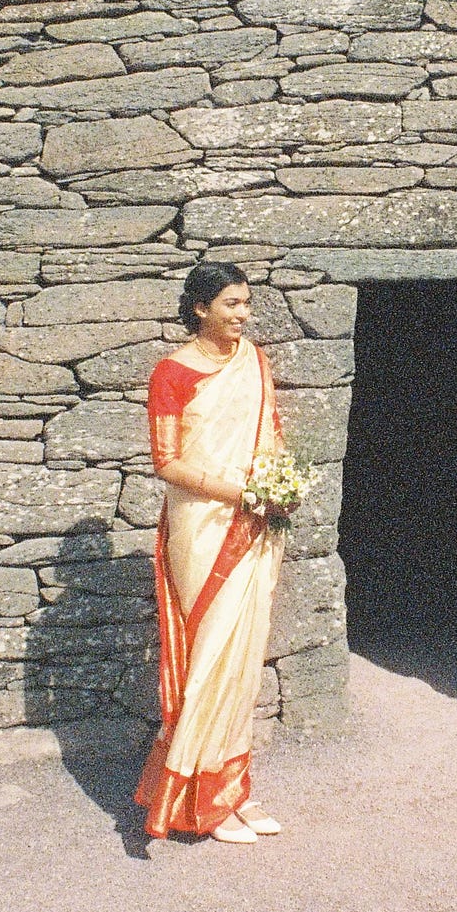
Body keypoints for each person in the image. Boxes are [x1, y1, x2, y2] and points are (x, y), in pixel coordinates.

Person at [135, 262, 286, 845]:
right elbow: (167, 463)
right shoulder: (172, 373)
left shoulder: (254, 361)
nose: (243, 315)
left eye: (246, 303)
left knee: (242, 664)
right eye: (231, 305)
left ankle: (232, 793)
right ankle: (199, 803)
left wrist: (274, 491)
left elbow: (268, 434)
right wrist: (243, 493)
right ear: (200, 309)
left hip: (254, 519)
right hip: (201, 526)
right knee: (210, 657)